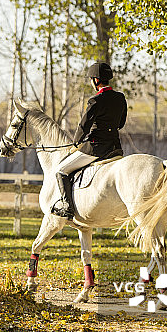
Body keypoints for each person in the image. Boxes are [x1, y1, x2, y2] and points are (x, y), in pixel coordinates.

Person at [51, 62, 127, 219]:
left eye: (92, 79)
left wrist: (76, 143)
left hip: (96, 148)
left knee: (61, 170)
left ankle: (67, 207)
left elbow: (83, 125)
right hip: (115, 147)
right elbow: (121, 124)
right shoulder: (120, 98)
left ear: (96, 80)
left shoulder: (96, 100)